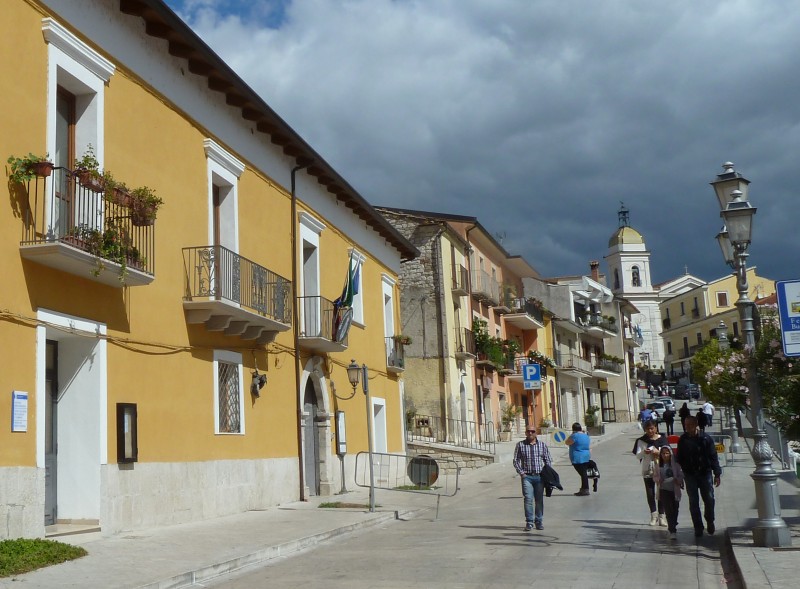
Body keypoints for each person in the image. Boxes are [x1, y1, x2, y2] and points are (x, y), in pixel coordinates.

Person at [676, 416, 722, 537]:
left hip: (704, 473)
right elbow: (679, 459)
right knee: (693, 501)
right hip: (690, 474)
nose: (687, 428)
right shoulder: (683, 440)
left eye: (690, 425)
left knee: (709, 498)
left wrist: (717, 473)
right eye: (686, 425)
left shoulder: (705, 439)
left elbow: (713, 456)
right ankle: (698, 526)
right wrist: (679, 476)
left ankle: (710, 520)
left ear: (696, 425)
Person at [512, 426, 553, 531]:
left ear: (536, 433)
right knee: (528, 499)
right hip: (527, 477)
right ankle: (529, 522)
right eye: (528, 431)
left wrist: (547, 473)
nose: (530, 433)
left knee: (539, 500)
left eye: (532, 431)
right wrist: (521, 473)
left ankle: (539, 521)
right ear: (525, 433)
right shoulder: (520, 445)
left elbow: (547, 460)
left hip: (539, 477)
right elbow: (516, 461)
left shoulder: (542, 445)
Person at [634, 419, 669, 526]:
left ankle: (662, 516)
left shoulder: (662, 439)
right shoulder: (641, 441)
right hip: (648, 469)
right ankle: (654, 516)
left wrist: (658, 452)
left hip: (661, 469)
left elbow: (668, 452)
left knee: (661, 493)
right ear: (645, 430)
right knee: (650, 493)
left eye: (652, 428)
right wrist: (644, 452)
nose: (650, 431)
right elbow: (637, 456)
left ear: (656, 428)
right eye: (648, 429)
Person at [654, 445, 684, 540]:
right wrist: (658, 479)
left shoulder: (675, 465)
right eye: (663, 453)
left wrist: (678, 480)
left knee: (675, 509)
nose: (665, 455)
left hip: (674, 490)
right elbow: (655, 476)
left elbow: (680, 475)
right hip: (664, 490)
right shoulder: (658, 466)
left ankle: (673, 523)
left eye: (667, 453)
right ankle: (672, 530)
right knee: (668, 510)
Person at [565, 422, 592, 496]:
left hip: (578, 457)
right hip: (586, 456)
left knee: (583, 474)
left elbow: (567, 442)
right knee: (583, 473)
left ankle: (585, 489)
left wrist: (571, 435)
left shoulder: (574, 436)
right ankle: (583, 488)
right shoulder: (586, 436)